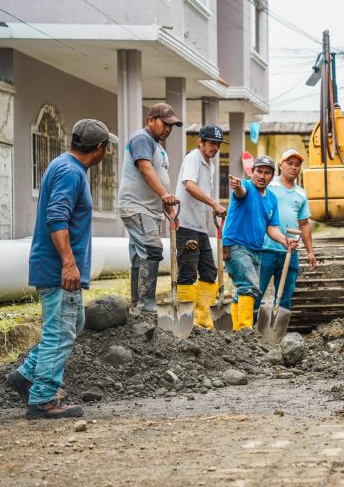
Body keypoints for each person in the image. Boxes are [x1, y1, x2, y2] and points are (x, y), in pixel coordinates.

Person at [7, 119, 117, 419]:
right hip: (60, 270)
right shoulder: (71, 172)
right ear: (99, 148)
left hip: (53, 266)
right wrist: (69, 263)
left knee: (73, 322)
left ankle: (26, 374)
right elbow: (57, 218)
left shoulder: (62, 165)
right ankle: (42, 399)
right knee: (61, 331)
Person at [117, 103, 182, 318]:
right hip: (136, 206)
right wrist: (165, 195)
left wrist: (168, 210)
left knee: (139, 255)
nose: (169, 129)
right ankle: (146, 304)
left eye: (172, 126)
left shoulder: (159, 148)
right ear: (151, 120)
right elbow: (145, 169)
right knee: (152, 247)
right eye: (166, 124)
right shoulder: (141, 139)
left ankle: (137, 306)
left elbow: (158, 181)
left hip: (150, 209)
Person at [222, 156, 296, 331]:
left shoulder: (271, 198)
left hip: (256, 250)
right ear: (252, 172)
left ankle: (236, 332)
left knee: (245, 289)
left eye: (267, 173)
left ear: (272, 176)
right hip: (236, 245)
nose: (262, 176)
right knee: (249, 286)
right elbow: (240, 192)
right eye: (259, 171)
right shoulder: (246, 187)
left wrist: (285, 241)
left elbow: (272, 229)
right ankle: (244, 331)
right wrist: (237, 186)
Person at [174, 124, 228, 330]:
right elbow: (189, 185)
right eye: (212, 143)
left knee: (208, 271)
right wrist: (214, 203)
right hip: (186, 225)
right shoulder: (193, 158)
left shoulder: (210, 166)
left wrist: (211, 209)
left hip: (201, 227)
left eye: (218, 144)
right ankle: (186, 319)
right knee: (187, 272)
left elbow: (200, 192)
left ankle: (203, 318)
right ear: (201, 142)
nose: (215, 147)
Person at [253, 149, 316, 323]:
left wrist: (310, 251)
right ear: (280, 165)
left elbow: (304, 224)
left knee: (285, 297)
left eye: (297, 165)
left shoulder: (301, 193)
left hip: (290, 252)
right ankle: (248, 331)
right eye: (289, 163)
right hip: (266, 250)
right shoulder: (268, 185)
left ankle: (276, 332)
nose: (294, 168)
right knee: (257, 292)